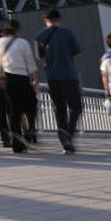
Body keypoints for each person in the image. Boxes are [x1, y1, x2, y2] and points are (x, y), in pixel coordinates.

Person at [35, 8, 83, 154]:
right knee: (75, 107)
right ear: (58, 19)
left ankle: (65, 143)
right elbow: (77, 52)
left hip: (52, 77)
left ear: (46, 20)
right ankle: (69, 133)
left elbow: (39, 56)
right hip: (69, 75)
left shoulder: (40, 35)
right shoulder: (68, 33)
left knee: (59, 110)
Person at [0, 19, 39, 154]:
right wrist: (35, 79)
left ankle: (17, 145)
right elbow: (31, 64)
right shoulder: (23, 43)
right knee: (31, 105)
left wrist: (3, 75)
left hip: (8, 79)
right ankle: (30, 132)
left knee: (14, 112)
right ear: (17, 30)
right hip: (22, 79)